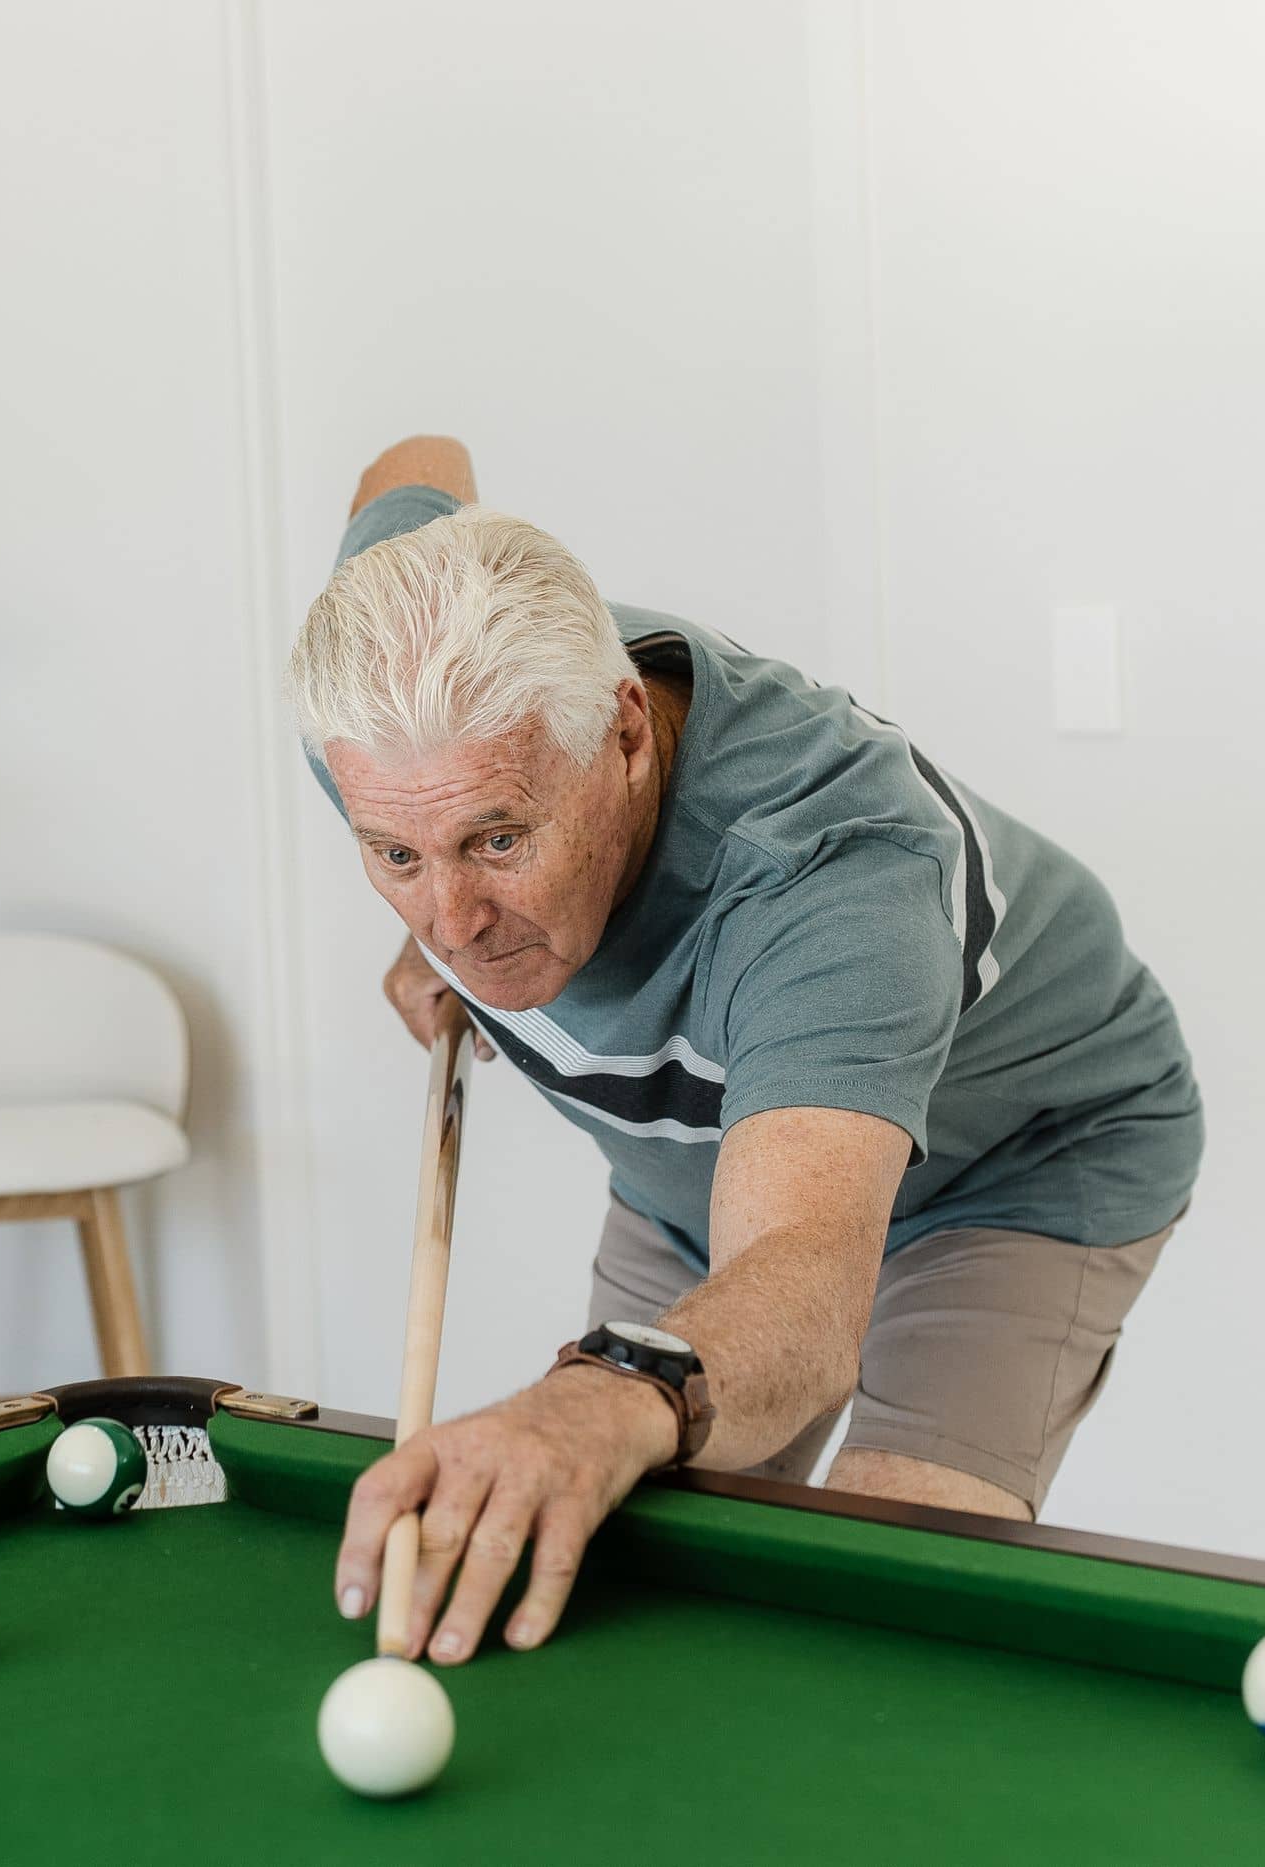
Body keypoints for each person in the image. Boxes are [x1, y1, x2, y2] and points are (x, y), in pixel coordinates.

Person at [289, 436, 1201, 1666]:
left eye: (497, 840)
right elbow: (417, 457)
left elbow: (806, 1274)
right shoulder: (377, 701)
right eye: (397, 857)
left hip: (1012, 1170)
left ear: (621, 733)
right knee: (612, 1567)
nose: (450, 922)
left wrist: (606, 1396)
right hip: (705, 1174)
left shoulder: (831, 873)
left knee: (882, 1597)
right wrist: (446, 916)